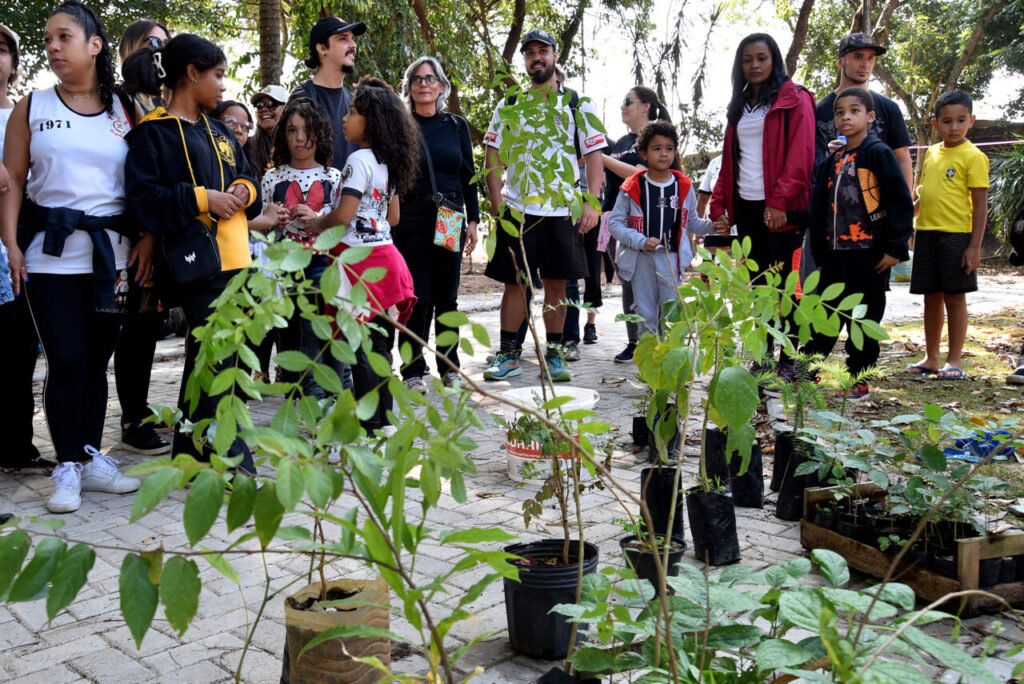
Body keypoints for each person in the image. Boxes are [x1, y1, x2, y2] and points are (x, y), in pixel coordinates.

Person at [0, 1, 142, 512]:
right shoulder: (32, 107)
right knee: (65, 359)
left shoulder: (126, 108)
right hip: (49, 257)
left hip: (113, 258)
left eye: (64, 37)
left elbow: (143, 181)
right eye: (47, 40)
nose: (53, 47)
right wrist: (12, 245)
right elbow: (12, 183)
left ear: (95, 45)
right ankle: (65, 465)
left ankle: (89, 458)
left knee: (97, 361)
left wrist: (145, 241)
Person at [123, 33, 262, 471]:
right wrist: (204, 199)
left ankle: (188, 456)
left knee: (208, 359)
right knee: (222, 360)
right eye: (217, 75)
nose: (223, 85)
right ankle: (233, 462)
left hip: (238, 262)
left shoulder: (220, 130)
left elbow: (249, 177)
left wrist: (244, 189)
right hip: (194, 266)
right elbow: (143, 200)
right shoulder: (151, 133)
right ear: (191, 73)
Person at [482, 28, 607, 383]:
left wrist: (592, 203)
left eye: (543, 51)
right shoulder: (509, 104)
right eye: (530, 52)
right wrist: (497, 202)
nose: (536, 57)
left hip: (562, 211)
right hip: (518, 210)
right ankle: (508, 355)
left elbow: (594, 156)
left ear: (554, 55)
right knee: (515, 284)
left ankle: (554, 355)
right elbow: (492, 153)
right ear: (524, 60)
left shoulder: (577, 104)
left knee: (557, 285)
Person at [310, 77, 419, 433]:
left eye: (353, 112)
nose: (345, 118)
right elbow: (393, 218)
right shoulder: (389, 162)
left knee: (361, 348)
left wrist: (315, 222)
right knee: (377, 346)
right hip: (387, 259)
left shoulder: (358, 160)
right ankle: (384, 422)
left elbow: (343, 217)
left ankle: (372, 427)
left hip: (361, 264)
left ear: (371, 121)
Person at [709, 33, 815, 383]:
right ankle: (764, 357)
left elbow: (801, 156)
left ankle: (790, 359)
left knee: (785, 285)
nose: (754, 65)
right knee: (758, 286)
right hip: (748, 209)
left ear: (774, 61)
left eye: (762, 58)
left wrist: (780, 202)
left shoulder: (794, 98)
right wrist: (719, 206)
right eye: (747, 59)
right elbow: (729, 162)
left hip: (782, 209)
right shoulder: (739, 106)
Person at [803, 88, 913, 402]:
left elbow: (900, 201)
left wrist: (894, 248)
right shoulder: (834, 159)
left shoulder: (878, 153)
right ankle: (805, 372)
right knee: (825, 316)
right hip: (835, 257)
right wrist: (818, 248)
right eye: (840, 112)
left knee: (864, 319)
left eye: (854, 111)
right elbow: (818, 208)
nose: (846, 117)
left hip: (870, 257)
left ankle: (859, 378)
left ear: (870, 117)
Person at [394, 56, 479, 392]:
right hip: (411, 219)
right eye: (417, 79)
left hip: (449, 218)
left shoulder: (456, 126)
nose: (424, 84)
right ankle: (412, 370)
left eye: (430, 78)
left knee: (447, 295)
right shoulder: (401, 126)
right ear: (409, 87)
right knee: (416, 296)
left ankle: (449, 367)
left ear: (442, 86)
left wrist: (473, 220)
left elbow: (468, 175)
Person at [249, 97, 342, 395]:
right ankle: (298, 384)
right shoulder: (272, 177)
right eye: (292, 130)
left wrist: (318, 218)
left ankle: (328, 384)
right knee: (290, 326)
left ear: (320, 134)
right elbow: (263, 224)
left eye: (307, 130)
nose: (300, 138)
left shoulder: (333, 177)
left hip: (322, 262)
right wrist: (274, 220)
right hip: (282, 264)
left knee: (320, 323)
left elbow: (342, 225)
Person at [113, 18, 173, 456]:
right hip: (126, 232)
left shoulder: (161, 102)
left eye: (165, 44)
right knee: (132, 325)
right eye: (152, 42)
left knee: (148, 324)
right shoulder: (116, 101)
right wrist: (144, 232)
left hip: (157, 230)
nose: (159, 50)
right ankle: (131, 418)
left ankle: (138, 407)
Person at [904, 90, 988, 381]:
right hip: (926, 234)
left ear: (971, 121)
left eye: (961, 120)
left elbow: (980, 206)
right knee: (931, 297)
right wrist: (905, 219)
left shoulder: (974, 156)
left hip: (957, 236)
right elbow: (924, 195)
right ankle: (931, 358)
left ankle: (954, 360)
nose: (954, 127)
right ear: (935, 123)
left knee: (955, 297)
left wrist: (974, 247)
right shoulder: (932, 153)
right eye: (947, 121)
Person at [607, 120, 713, 336]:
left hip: (671, 260)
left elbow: (692, 223)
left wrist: (715, 226)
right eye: (657, 149)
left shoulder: (683, 186)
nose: (664, 154)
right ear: (644, 154)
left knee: (672, 314)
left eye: (669, 149)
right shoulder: (632, 186)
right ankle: (647, 356)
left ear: (675, 152)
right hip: (641, 260)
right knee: (645, 314)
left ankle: (670, 354)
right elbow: (614, 224)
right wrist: (640, 241)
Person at [0, 22, 50, 471]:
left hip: (18, 253)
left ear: (14, 66)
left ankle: (16, 448)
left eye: (0, 49)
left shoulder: (27, 118)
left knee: (18, 354)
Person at [600, 87, 670, 363]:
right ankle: (635, 342)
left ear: (646, 106)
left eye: (628, 101)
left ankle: (657, 341)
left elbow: (642, 174)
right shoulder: (621, 142)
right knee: (628, 282)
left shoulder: (654, 139)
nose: (623, 106)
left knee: (650, 283)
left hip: (642, 220)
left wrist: (599, 157)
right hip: (615, 221)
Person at [290, 17, 365, 175]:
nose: (353, 45)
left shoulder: (355, 101)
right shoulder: (302, 97)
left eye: (352, 39)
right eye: (343, 39)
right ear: (322, 48)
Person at [247, 84, 286, 181]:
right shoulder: (248, 146)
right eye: (259, 106)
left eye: (271, 104)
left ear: (287, 108)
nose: (264, 109)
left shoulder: (298, 142)